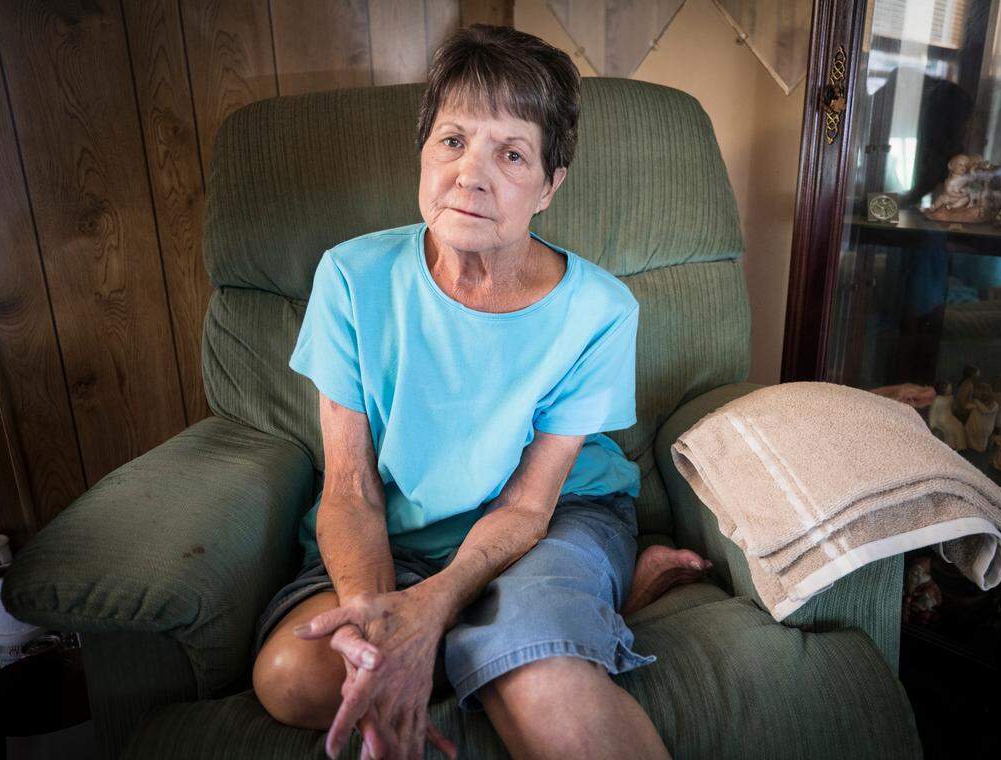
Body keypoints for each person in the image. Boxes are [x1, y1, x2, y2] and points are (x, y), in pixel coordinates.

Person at [251, 24, 711, 760]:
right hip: (395, 537)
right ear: (423, 150)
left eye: (512, 153)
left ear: (549, 186)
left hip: (547, 522)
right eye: (453, 141)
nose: (471, 174)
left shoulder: (600, 311)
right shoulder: (349, 277)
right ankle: (581, 611)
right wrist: (378, 627)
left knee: (539, 683)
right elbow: (351, 488)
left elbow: (529, 505)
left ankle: (548, 615)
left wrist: (434, 606)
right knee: (293, 677)